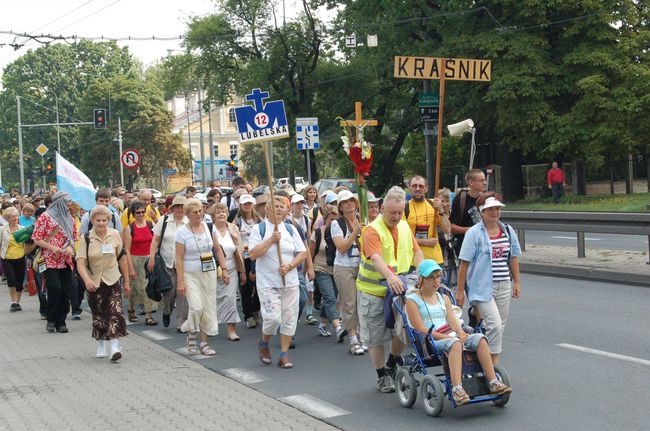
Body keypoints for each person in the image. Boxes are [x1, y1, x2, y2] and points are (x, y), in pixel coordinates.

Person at [405, 260, 512, 404]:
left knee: (480, 338)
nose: (436, 281)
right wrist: (448, 337)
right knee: (455, 343)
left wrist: (460, 331)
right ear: (421, 279)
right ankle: (457, 389)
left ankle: (493, 381)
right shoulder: (412, 301)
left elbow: (452, 319)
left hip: (450, 335)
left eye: (438, 276)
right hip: (431, 340)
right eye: (431, 277)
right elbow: (420, 329)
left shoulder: (444, 298)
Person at [356, 186, 423, 393]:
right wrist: (390, 276)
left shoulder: (404, 226)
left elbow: (417, 251)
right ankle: (381, 376)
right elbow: (376, 258)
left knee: (403, 330)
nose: (395, 216)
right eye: (391, 212)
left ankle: (392, 364)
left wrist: (425, 271)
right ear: (382, 208)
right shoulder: (372, 230)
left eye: (399, 212)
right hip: (373, 290)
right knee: (374, 336)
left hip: (400, 289)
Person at [456, 193, 522, 365]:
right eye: (490, 209)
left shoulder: (507, 230)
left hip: (504, 284)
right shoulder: (474, 233)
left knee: (500, 326)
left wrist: (517, 282)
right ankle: (493, 366)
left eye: (497, 208)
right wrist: (460, 290)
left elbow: (513, 257)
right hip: (482, 286)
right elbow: (464, 263)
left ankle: (479, 352)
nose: (495, 212)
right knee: (495, 326)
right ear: (482, 212)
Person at [249, 196, 306, 369]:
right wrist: (271, 240)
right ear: (267, 209)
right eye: (275, 206)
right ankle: (264, 341)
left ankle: (283, 354)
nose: (279, 209)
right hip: (268, 283)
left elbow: (302, 252)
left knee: (289, 319)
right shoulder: (259, 229)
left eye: (282, 206)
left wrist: (289, 266)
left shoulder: (290, 229)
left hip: (289, 282)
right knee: (273, 318)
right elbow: (252, 254)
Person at [76, 206, 130, 362]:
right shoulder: (86, 238)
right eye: (98, 220)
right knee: (99, 315)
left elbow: (122, 258)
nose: (101, 223)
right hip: (94, 281)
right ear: (92, 221)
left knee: (115, 312)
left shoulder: (114, 235)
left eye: (104, 220)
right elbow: (80, 263)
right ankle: (101, 345)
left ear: (109, 221)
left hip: (112, 279)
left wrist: (126, 281)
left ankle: (114, 347)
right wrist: (87, 280)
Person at [176, 198, 229, 356]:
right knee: (196, 307)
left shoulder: (208, 227)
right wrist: (180, 281)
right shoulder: (182, 233)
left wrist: (224, 269)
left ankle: (204, 342)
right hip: (190, 274)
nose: (199, 214)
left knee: (207, 307)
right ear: (188, 214)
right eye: (195, 212)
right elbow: (178, 258)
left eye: (200, 211)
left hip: (209, 272)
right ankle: (191, 332)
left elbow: (218, 250)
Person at [32, 192, 79, 333]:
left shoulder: (69, 217)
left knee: (66, 290)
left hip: (65, 260)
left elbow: (74, 237)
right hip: (48, 259)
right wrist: (52, 248)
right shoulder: (45, 217)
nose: (69, 204)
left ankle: (61, 321)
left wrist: (70, 248)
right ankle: (51, 318)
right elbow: (36, 238)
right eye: (66, 202)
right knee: (54, 288)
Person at [147, 196, 189, 331]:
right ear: (172, 208)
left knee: (183, 293)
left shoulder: (189, 222)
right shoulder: (164, 220)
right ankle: (167, 311)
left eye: (182, 207)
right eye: (177, 207)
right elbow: (155, 240)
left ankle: (181, 322)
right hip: (166, 263)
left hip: (184, 263)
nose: (179, 209)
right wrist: (152, 257)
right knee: (169, 292)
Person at [331, 190, 365, 354]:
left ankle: (360, 334)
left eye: (351, 200)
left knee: (361, 302)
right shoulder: (336, 224)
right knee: (349, 302)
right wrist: (355, 232)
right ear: (340, 207)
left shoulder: (362, 219)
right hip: (344, 267)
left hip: (362, 265)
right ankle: (353, 339)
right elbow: (342, 248)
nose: (349, 203)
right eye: (345, 202)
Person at [209, 203, 246, 341]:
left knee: (230, 299)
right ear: (213, 216)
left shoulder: (233, 228)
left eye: (223, 212)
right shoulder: (209, 229)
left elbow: (240, 251)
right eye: (218, 212)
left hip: (231, 268)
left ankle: (231, 330)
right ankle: (211, 326)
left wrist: (242, 271)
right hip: (213, 270)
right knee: (213, 299)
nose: (221, 214)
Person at [309, 204, 345, 338]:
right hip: (320, 268)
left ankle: (323, 325)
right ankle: (338, 328)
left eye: (336, 219)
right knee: (329, 297)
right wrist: (309, 270)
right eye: (331, 219)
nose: (333, 222)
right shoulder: (318, 233)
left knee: (331, 298)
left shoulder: (340, 232)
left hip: (336, 269)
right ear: (325, 219)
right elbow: (310, 252)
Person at [124, 200, 158, 325]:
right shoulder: (129, 228)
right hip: (135, 259)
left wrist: (154, 258)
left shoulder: (151, 224)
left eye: (143, 212)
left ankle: (148, 315)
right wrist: (130, 268)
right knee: (134, 288)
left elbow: (156, 242)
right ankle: (131, 309)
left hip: (149, 259)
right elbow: (126, 249)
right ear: (133, 213)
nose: (141, 214)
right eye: (138, 212)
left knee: (147, 287)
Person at [404, 175, 451, 266]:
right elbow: (402, 238)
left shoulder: (434, 204)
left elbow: (447, 230)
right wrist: (424, 242)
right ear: (409, 188)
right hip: (414, 263)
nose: (417, 188)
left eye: (421, 186)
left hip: (435, 260)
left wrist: (441, 211)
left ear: (426, 189)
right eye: (414, 186)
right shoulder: (404, 208)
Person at [232, 193, 262, 329]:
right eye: (245, 204)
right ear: (241, 205)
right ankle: (248, 315)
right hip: (243, 257)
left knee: (260, 285)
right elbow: (232, 235)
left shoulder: (258, 220)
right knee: (246, 286)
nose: (248, 206)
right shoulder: (237, 221)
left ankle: (256, 308)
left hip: (257, 255)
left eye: (250, 203)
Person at [449, 169, 486, 256]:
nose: (485, 182)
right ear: (471, 183)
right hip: (465, 247)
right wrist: (472, 230)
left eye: (484, 180)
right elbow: (451, 227)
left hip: (483, 247)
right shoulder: (460, 199)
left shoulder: (485, 199)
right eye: (481, 180)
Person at [0, 207, 27, 312]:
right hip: (7, 258)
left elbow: (26, 245)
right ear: (7, 218)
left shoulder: (22, 229)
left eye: (16, 216)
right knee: (11, 279)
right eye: (12, 217)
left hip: (20, 257)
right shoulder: (2, 229)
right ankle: (13, 301)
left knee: (19, 280)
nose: (15, 218)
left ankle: (17, 302)